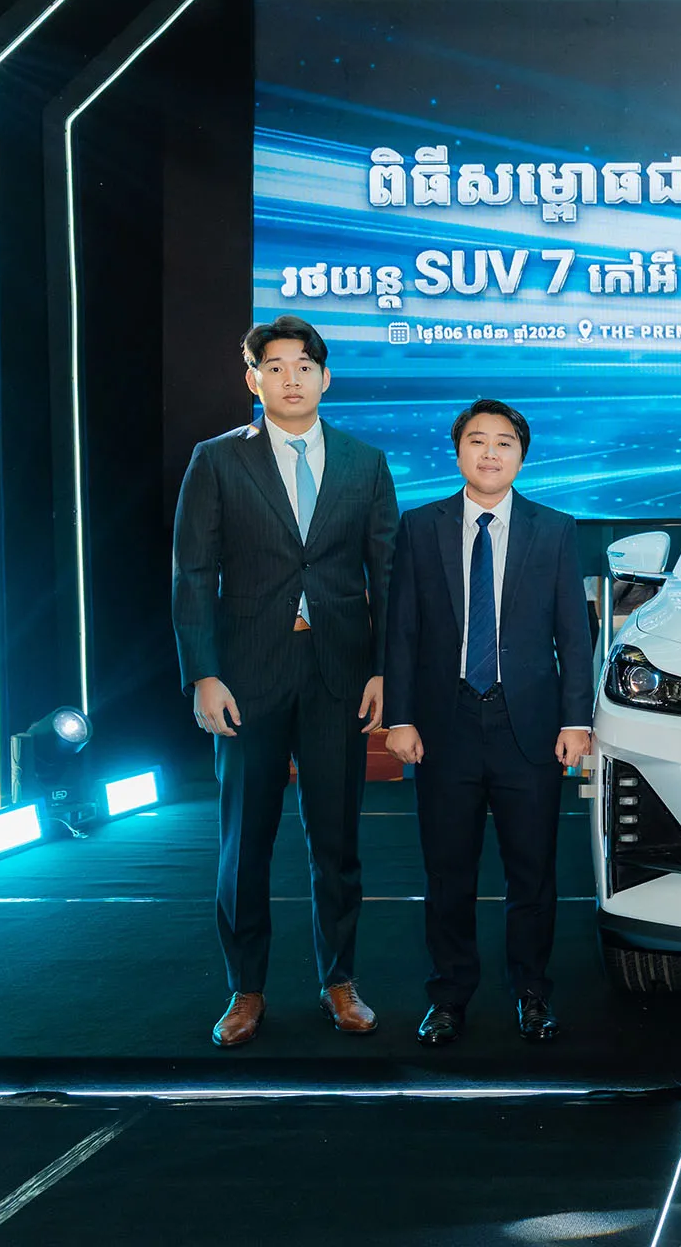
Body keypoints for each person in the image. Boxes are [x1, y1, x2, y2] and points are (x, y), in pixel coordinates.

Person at [173, 315, 398, 1048]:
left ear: (325, 377)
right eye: (274, 366)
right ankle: (245, 990)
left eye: (304, 366)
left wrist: (383, 669)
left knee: (337, 842)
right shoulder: (216, 460)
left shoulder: (365, 462)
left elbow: (387, 575)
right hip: (246, 677)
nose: (291, 378)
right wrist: (204, 674)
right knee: (245, 843)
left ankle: (340, 982)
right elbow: (192, 573)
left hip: (339, 673)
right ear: (253, 379)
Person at [383, 399, 595, 1046]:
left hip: (526, 727)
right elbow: (402, 630)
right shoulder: (420, 527)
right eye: (477, 440)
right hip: (443, 725)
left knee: (533, 873)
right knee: (448, 873)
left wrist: (576, 720)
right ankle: (449, 996)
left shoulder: (554, 529)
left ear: (521, 456)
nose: (491, 452)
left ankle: (532, 992)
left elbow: (574, 635)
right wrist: (400, 717)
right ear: (458, 453)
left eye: (505, 442)